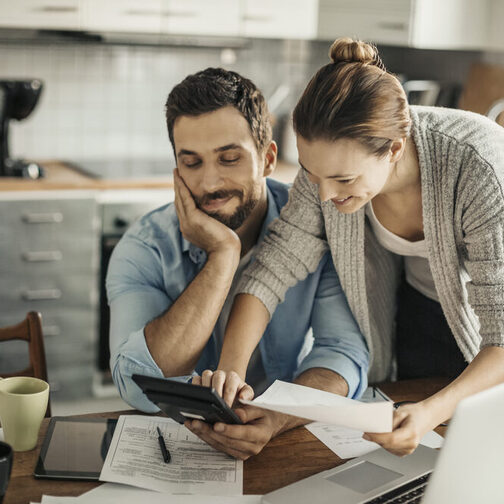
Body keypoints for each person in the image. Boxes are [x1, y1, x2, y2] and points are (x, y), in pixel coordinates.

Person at [209, 38, 504, 457]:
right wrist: (231, 373)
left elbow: (502, 338)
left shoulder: (480, 167)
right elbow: (274, 266)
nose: (326, 195)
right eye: (312, 174)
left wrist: (428, 412)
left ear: (395, 150)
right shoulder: (328, 171)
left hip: (489, 343)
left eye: (344, 181)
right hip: (417, 312)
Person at [106, 67, 369, 460]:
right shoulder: (145, 248)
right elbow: (136, 383)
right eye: (192, 163)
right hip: (182, 449)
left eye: (229, 158)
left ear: (267, 159)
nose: (211, 183)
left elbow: (342, 354)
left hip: (285, 437)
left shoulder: (317, 228)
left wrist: (278, 416)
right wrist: (223, 256)